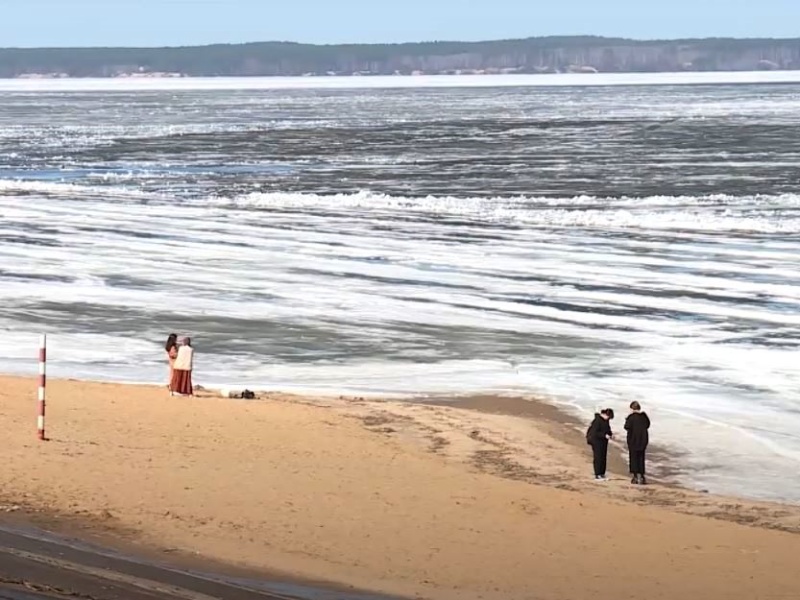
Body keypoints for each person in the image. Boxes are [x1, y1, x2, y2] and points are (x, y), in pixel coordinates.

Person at [624, 401, 651, 485]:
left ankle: (635, 477)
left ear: (632, 408)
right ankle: (642, 476)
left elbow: (626, 426)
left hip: (633, 440)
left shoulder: (631, 417)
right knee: (641, 458)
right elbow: (647, 425)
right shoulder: (644, 417)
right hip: (643, 440)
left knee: (633, 457)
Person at [586, 408, 615, 481]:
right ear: (605, 414)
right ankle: (597, 474)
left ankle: (602, 473)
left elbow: (608, 429)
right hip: (596, 441)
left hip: (603, 441)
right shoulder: (597, 420)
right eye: (608, 417)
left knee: (603, 457)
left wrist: (610, 434)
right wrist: (604, 435)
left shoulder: (606, 420)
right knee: (598, 457)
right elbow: (595, 433)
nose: (608, 419)